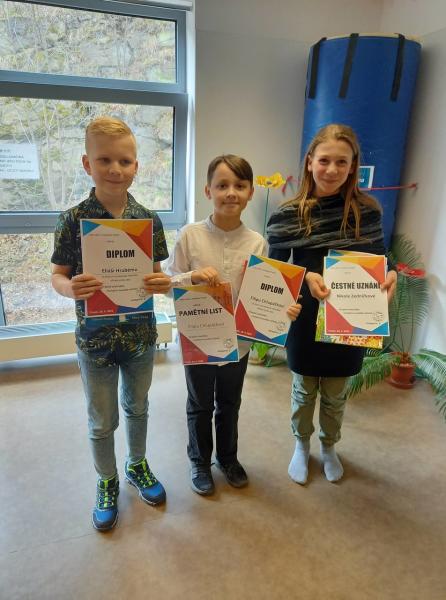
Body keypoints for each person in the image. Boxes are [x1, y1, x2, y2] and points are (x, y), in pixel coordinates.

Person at [51, 116, 171, 531]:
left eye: (125, 161)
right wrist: (70, 289)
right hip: (94, 339)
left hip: (140, 336)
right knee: (102, 419)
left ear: (137, 166)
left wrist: (161, 283)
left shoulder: (148, 220)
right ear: (87, 163)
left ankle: (136, 464)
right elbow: (57, 275)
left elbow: (157, 275)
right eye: (104, 160)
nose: (115, 169)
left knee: (138, 406)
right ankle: (107, 479)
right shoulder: (72, 220)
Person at [267, 124, 397, 485]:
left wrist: (392, 274)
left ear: (353, 166)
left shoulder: (367, 212)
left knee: (337, 393)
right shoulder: (289, 213)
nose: (332, 169)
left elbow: (380, 259)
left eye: (342, 162)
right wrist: (306, 277)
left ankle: (328, 446)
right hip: (305, 316)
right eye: (324, 160)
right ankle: (301, 444)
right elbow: (274, 271)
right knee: (304, 389)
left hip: (350, 318)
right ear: (310, 161)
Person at [164, 154, 301, 495]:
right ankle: (199, 461)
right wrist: (192, 276)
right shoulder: (190, 236)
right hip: (198, 337)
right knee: (199, 403)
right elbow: (167, 283)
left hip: (238, 342)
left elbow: (263, 294)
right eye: (222, 185)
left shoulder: (257, 242)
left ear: (250, 192)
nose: (230, 193)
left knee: (229, 403)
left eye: (239, 186)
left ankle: (227, 458)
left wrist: (282, 310)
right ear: (207, 190)